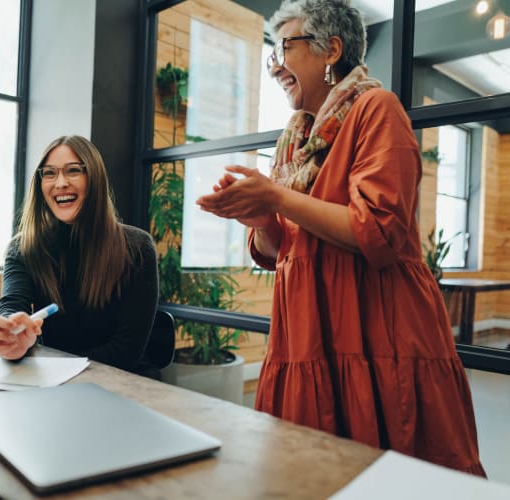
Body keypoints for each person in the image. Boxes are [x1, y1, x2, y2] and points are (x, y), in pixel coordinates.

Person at [197, 0, 484, 475]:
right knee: (307, 475)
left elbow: (379, 230)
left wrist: (278, 200)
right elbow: (280, 251)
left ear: (331, 49)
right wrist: (260, 217)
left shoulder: (377, 109)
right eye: (273, 54)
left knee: (389, 476)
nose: (276, 69)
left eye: (284, 48)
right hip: (307, 332)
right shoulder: (294, 140)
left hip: (377, 330)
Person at [0, 135, 160, 377]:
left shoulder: (137, 247)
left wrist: (56, 369)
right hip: (55, 380)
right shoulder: (23, 248)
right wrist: (13, 332)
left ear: (95, 179)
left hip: (121, 383)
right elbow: (12, 305)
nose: (60, 183)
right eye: (49, 173)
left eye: (73, 171)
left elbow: (125, 352)